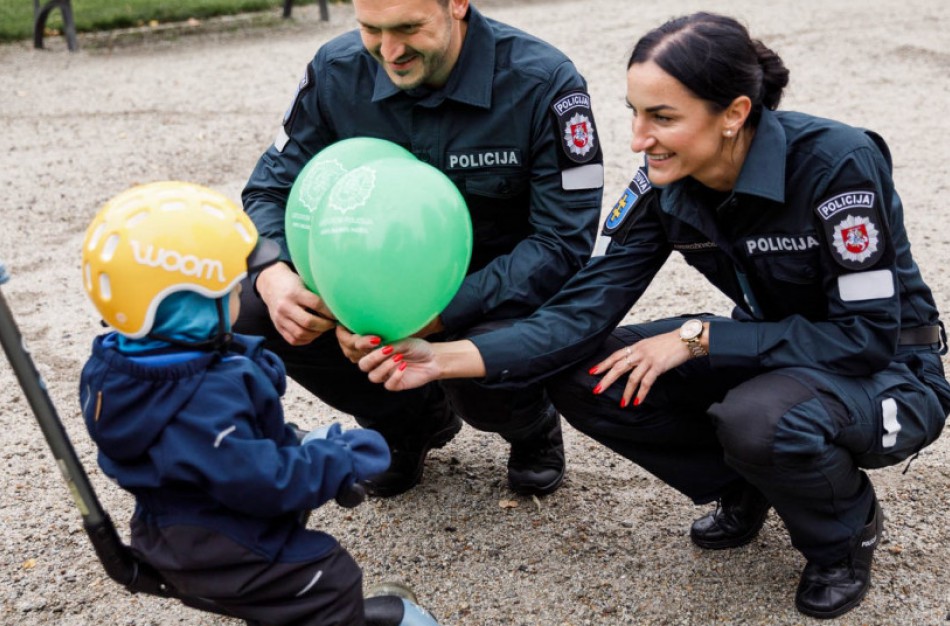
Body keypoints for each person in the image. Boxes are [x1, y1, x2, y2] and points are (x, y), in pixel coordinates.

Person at [357, 12, 950, 619]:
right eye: (634, 113)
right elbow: (583, 309)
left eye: (663, 117)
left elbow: (866, 337)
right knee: (586, 371)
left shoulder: (835, 163)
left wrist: (700, 340)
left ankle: (843, 536)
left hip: (890, 371)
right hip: (773, 353)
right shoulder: (664, 183)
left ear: (734, 114)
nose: (639, 139)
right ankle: (743, 484)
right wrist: (440, 359)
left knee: (761, 420)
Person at [238, 0, 605, 498]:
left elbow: (562, 243)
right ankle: (409, 423)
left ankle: (529, 425)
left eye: (409, 27)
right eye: (371, 28)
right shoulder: (336, 70)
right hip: (360, 283)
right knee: (254, 308)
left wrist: (436, 318)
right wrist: (274, 274)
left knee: (482, 377)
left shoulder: (543, 83)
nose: (389, 51)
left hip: (492, 290)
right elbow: (267, 191)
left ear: (457, 4)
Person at [78, 182, 439, 626]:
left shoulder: (119, 366)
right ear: (189, 309)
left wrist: (302, 443)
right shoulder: (202, 401)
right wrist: (340, 458)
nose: (241, 296)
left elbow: (229, 452)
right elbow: (265, 481)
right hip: (220, 545)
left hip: (174, 524)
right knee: (329, 576)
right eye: (232, 291)